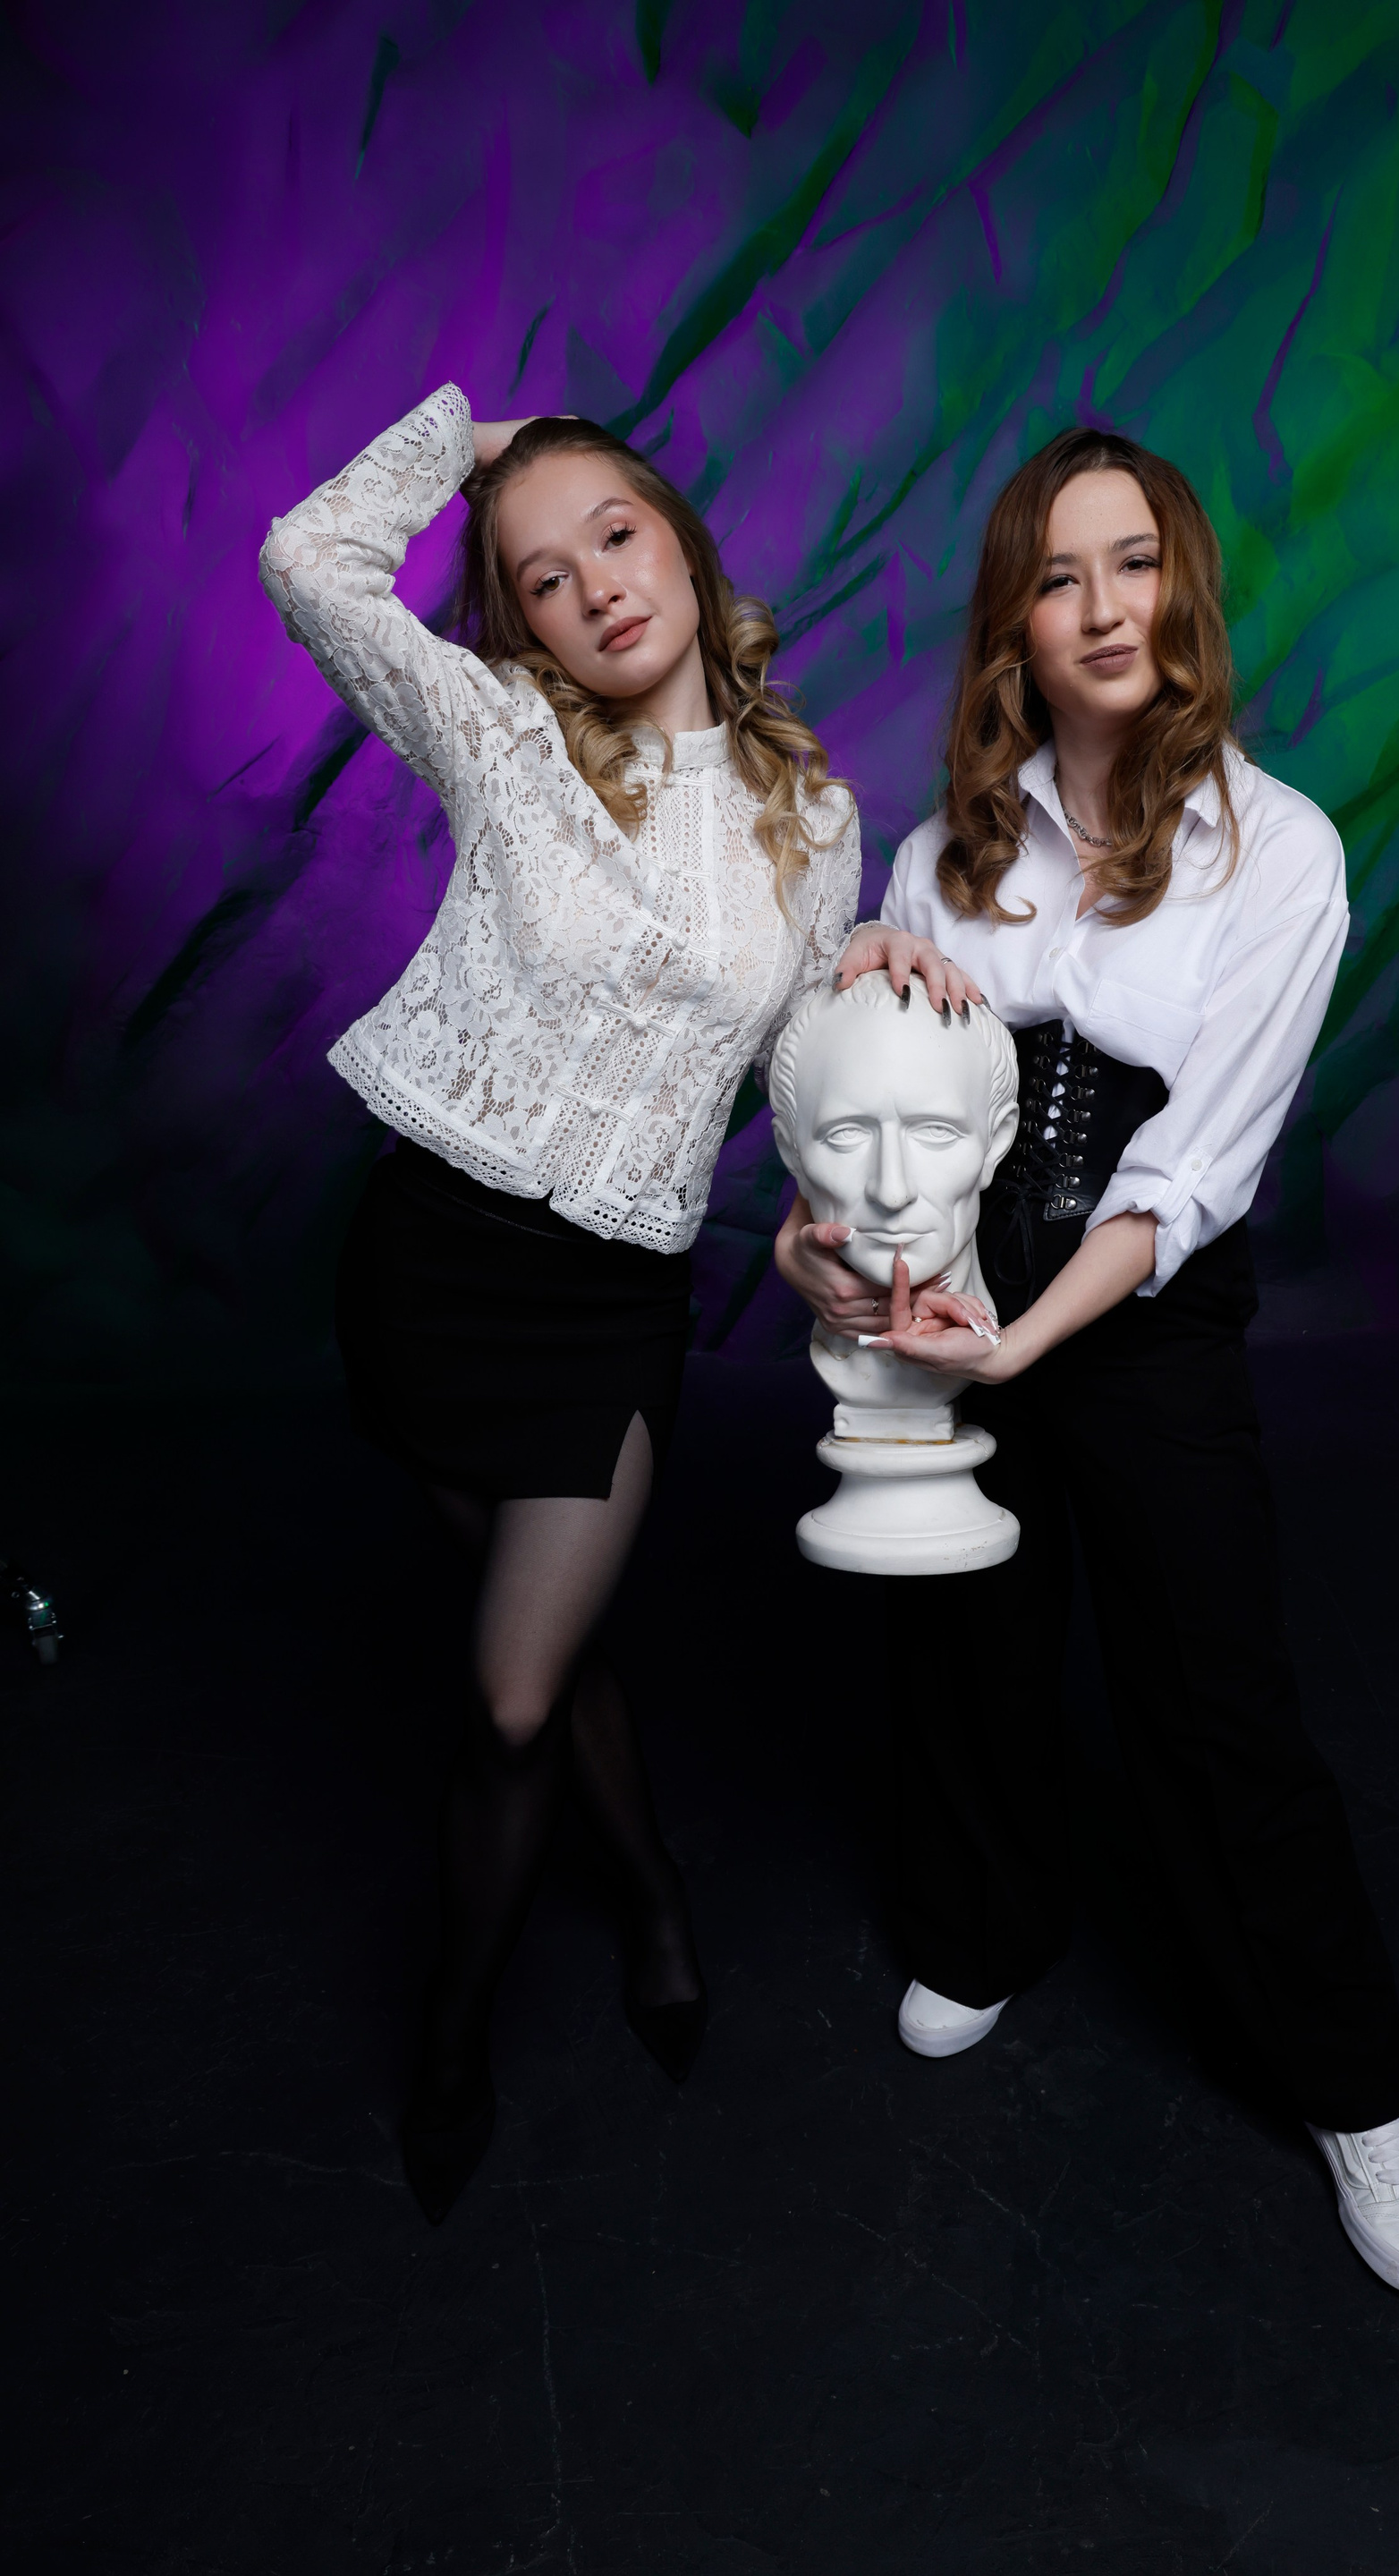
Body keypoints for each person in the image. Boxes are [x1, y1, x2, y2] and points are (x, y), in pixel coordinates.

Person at [775, 429, 1399, 2298]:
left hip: (1139, 1316)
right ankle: (984, 1929)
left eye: (1134, 562)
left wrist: (1024, 1338)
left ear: (1185, 588)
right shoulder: (942, 855)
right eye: (1059, 574)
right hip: (954, 1304)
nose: (1101, 606)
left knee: (1215, 1700)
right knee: (967, 1651)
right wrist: (833, 1252)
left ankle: (1357, 2091)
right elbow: (877, 1114)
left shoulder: (1278, 848)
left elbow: (1190, 1172)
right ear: (1015, 618)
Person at [259, 387, 859, 2221]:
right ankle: (644, 1893)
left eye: (615, 530)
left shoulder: (812, 815)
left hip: (606, 1310)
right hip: (429, 1271)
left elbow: (802, 1075)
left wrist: (872, 1017)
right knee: (556, 1645)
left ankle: (460, 2033)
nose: (595, 584)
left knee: (517, 1691)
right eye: (542, 575)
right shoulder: (506, 734)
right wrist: (472, 435)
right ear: (518, 627)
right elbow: (308, 560)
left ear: (678, 538)